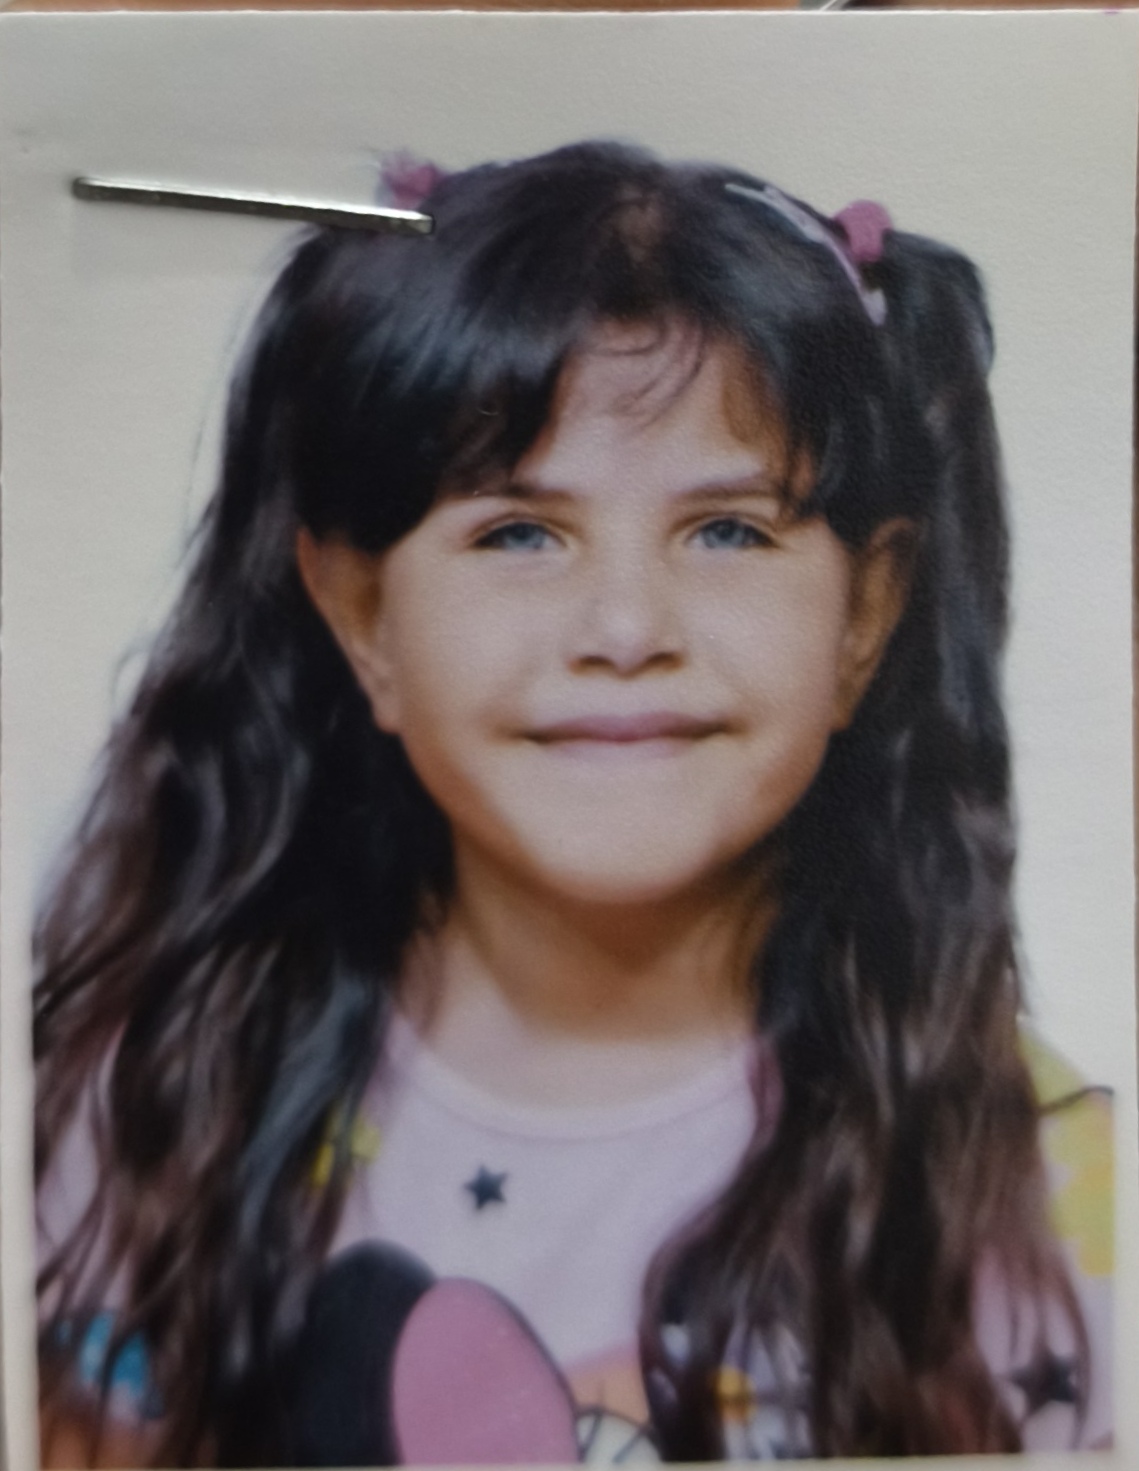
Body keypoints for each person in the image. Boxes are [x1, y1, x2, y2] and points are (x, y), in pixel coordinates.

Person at [33, 141, 1112, 1468]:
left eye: (727, 530)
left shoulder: (1050, 1202)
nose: (624, 628)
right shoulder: (150, 1116)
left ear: (864, 617)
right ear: (361, 616)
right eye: (519, 533)